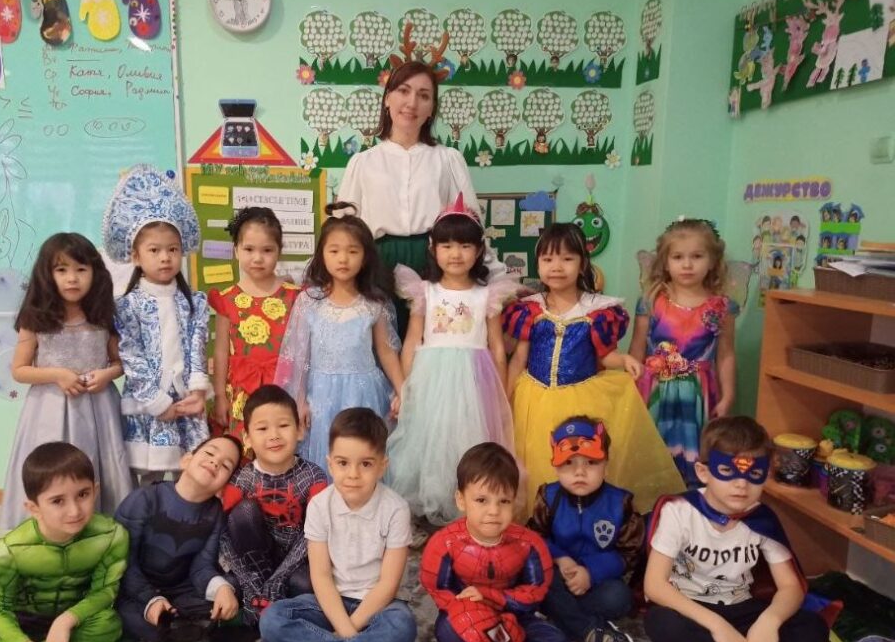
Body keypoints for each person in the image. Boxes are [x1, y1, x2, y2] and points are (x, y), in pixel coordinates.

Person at [645, 417, 849, 642]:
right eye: (727, 471)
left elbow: (791, 587)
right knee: (661, 625)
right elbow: (655, 586)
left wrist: (769, 622)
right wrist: (717, 626)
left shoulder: (761, 519)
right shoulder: (679, 512)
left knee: (814, 627)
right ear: (703, 472)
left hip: (742, 609)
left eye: (753, 474)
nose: (741, 484)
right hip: (691, 610)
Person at [503, 223, 683, 514]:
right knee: (537, 458)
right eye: (548, 259)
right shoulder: (530, 309)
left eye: (567, 258)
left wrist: (624, 361)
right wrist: (505, 396)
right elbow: (518, 359)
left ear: (582, 263)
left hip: (580, 400)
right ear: (538, 264)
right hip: (532, 399)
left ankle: (579, 516)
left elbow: (606, 356)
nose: (557, 267)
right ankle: (542, 519)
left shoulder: (596, 311)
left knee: (578, 459)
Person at [335, 60, 502, 335]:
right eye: (403, 91)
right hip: (376, 265)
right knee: (381, 345)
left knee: (432, 344)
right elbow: (343, 229)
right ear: (387, 98)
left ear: (432, 108)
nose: (411, 103)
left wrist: (494, 276)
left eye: (423, 95)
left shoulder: (448, 160)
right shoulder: (363, 162)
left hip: (437, 265)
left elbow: (470, 226)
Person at [252, 408, 417, 642]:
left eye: (366, 464)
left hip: (379, 606)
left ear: (382, 466)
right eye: (343, 463)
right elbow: (321, 576)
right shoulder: (320, 505)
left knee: (403, 626)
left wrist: (352, 625)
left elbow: (388, 584)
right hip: (332, 602)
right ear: (330, 464)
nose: (353, 474)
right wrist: (347, 631)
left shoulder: (396, 509)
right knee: (272, 620)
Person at [387, 194, 518, 525]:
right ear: (433, 248)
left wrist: (501, 393)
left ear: (479, 250)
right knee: (431, 442)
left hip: (474, 380)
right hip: (431, 379)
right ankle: (433, 514)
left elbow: (497, 347)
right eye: (446, 245)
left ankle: (468, 512)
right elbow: (412, 341)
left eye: (464, 245)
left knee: (469, 442)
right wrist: (405, 388)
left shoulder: (487, 294)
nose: (455, 253)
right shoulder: (424, 291)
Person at [0, 442, 128, 642]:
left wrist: (66, 621)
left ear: (95, 491)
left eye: (83, 494)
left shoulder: (112, 536)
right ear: (34, 508)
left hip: (76, 620)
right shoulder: (6, 552)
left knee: (110, 623)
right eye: (58, 501)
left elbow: (104, 592)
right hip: (24, 622)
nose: (74, 510)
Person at [0, 233, 132, 530]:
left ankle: (101, 529)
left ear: (95, 273)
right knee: (52, 470)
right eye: (62, 270)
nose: (72, 278)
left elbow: (120, 363)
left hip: (99, 408)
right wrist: (57, 374)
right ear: (47, 275)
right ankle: (47, 530)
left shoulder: (103, 315)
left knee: (101, 464)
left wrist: (107, 374)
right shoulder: (35, 317)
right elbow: (19, 370)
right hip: (49, 410)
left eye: (81, 269)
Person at [421, 443, 580, 642]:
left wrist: (492, 597)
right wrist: (471, 609)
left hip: (515, 617)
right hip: (467, 618)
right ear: (461, 499)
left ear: (514, 500)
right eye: (482, 500)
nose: (494, 511)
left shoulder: (529, 543)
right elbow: (439, 590)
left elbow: (535, 592)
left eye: (503, 501)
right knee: (446, 631)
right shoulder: (444, 543)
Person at [103, 165, 210, 485]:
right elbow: (131, 355)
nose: (165, 257)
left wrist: (198, 392)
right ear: (136, 256)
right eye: (154, 250)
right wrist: (156, 401)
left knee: (188, 473)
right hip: (149, 402)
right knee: (148, 475)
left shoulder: (194, 302)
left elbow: (197, 347)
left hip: (186, 401)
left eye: (172, 250)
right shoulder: (127, 305)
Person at [274, 215, 404, 475]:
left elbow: (387, 352)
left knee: (363, 456)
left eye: (353, 251)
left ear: (365, 256)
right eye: (334, 251)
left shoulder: (374, 303)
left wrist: (404, 392)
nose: (343, 259)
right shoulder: (309, 301)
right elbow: (298, 356)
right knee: (327, 457)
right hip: (321, 396)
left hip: (365, 395)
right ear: (322, 255)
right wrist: (298, 400)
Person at [628, 217, 739, 489]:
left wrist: (728, 395)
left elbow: (726, 354)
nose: (687, 265)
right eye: (678, 257)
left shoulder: (721, 307)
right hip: (654, 391)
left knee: (695, 457)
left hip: (698, 395)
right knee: (651, 457)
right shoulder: (651, 302)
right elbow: (636, 351)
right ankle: (652, 507)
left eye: (697, 256)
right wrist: (630, 393)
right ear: (665, 262)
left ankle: (689, 504)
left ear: (712, 261)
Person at [527, 416, 643, 642]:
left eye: (591, 462)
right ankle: (590, 631)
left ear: (606, 464)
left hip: (598, 584)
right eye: (568, 463)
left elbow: (630, 553)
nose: (579, 472)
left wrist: (590, 572)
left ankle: (562, 616)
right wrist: (560, 558)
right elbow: (534, 537)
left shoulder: (620, 502)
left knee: (620, 598)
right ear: (556, 466)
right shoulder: (548, 496)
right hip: (558, 578)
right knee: (538, 577)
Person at [114, 435, 246, 642]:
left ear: (224, 485)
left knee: (233, 588)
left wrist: (222, 589)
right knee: (128, 619)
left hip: (181, 589)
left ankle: (184, 620)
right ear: (186, 460)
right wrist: (150, 599)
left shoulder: (216, 514)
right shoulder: (144, 498)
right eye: (210, 453)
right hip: (134, 589)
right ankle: (170, 622)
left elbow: (202, 566)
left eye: (225, 466)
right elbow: (122, 561)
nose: (215, 462)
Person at [219, 384, 328, 625]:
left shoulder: (314, 477)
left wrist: (277, 579)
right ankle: (264, 599)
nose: (274, 435)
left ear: (300, 430)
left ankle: (274, 604)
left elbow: (315, 535)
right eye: (262, 428)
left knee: (307, 584)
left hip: (297, 563)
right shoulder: (242, 479)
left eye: (283, 425)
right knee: (227, 584)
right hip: (254, 562)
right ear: (247, 437)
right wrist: (250, 581)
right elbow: (224, 534)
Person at [208, 207, 300, 441]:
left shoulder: (295, 296)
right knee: (244, 447)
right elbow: (221, 352)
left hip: (284, 389)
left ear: (279, 251)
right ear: (236, 250)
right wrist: (220, 396)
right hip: (241, 393)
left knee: (281, 444)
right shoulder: (227, 299)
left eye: (267, 250)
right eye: (249, 249)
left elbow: (303, 351)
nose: (257, 258)